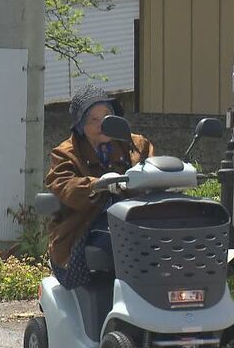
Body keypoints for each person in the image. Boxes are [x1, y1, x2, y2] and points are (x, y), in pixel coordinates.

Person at [45, 84, 154, 289]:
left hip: (136, 219)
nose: (101, 124)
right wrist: (98, 185)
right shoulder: (65, 153)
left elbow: (154, 169)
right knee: (125, 244)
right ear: (80, 126)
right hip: (86, 228)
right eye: (92, 119)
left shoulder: (136, 144)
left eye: (106, 116)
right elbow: (63, 183)